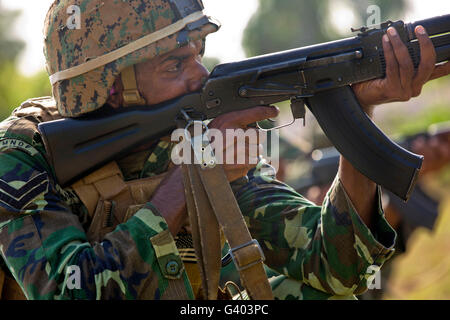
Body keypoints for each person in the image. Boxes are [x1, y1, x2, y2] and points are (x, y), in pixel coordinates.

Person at [0, 0, 449, 300]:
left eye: (199, 52)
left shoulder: (196, 131)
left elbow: (336, 263)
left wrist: (357, 105)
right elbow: (73, 291)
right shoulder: (23, 154)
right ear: (112, 89)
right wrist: (187, 180)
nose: (201, 74)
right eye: (175, 63)